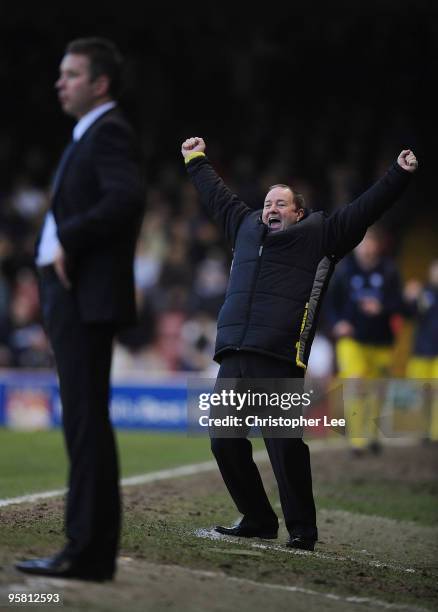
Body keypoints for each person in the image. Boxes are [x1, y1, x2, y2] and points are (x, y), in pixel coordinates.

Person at [181, 136, 417, 551]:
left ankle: (302, 529)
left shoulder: (322, 235)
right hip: (234, 351)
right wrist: (195, 159)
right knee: (223, 441)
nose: (271, 209)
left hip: (279, 355)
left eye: (281, 204)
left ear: (299, 212)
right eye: (268, 203)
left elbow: (366, 208)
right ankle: (257, 517)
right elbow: (216, 196)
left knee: (284, 447)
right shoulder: (244, 225)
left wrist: (398, 173)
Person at [16, 38, 145, 581]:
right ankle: (87, 548)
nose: (59, 82)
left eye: (70, 74)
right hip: (72, 296)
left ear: (100, 84)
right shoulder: (89, 133)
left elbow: (126, 198)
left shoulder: (108, 131)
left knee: (86, 424)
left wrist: (67, 237)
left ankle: (86, 551)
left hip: (84, 299)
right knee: (85, 423)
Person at [326, 228, 404, 455]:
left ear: (378, 246)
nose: (367, 248)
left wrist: (383, 308)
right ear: (357, 246)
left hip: (381, 340)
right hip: (352, 340)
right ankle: (357, 440)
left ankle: (372, 435)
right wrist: (338, 323)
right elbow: (330, 304)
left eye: (371, 243)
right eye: (363, 243)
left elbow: (400, 304)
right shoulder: (344, 272)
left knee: (377, 390)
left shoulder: (389, 271)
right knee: (356, 383)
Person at [405, 260, 438, 441]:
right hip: (421, 351)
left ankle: (435, 434)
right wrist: (410, 299)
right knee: (420, 394)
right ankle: (421, 431)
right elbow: (410, 314)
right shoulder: (423, 292)